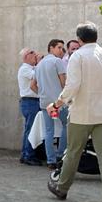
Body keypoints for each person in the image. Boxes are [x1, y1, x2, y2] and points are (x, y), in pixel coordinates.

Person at [46, 23, 102, 202]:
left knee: (73, 152)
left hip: (81, 113)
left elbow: (73, 86)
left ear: (79, 39)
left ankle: (62, 188)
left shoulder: (77, 56)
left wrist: (57, 103)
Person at [35, 39, 68, 170]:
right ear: (51, 48)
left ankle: (51, 160)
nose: (61, 50)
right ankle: (60, 155)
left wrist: (43, 93)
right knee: (67, 125)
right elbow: (63, 83)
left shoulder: (39, 64)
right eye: (59, 47)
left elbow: (33, 85)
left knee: (49, 131)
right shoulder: (57, 61)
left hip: (45, 103)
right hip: (57, 103)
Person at [17, 47, 42, 166]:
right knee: (31, 129)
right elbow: (38, 76)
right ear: (26, 56)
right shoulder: (25, 69)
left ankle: (25, 154)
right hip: (30, 101)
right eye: (32, 53)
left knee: (30, 128)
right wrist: (41, 62)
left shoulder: (31, 68)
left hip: (32, 102)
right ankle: (28, 155)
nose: (35, 55)